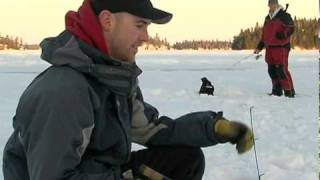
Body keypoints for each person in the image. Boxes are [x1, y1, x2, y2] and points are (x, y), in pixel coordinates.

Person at [2, 0, 254, 179]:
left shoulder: (112, 77)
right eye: (140, 25)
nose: (146, 37)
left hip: (102, 172)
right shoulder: (64, 91)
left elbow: (150, 129)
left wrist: (214, 128)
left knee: (186, 160)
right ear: (108, 21)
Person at [254, 0, 295, 97]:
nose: (270, 6)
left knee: (281, 70)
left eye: (272, 4)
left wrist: (283, 34)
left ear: (276, 4)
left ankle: (289, 91)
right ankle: (277, 90)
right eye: (269, 4)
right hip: (269, 48)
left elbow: (291, 28)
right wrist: (259, 47)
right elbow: (264, 35)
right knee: (271, 70)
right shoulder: (267, 18)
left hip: (281, 47)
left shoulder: (284, 15)